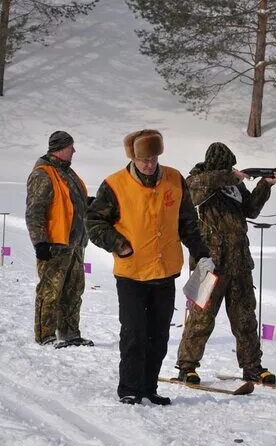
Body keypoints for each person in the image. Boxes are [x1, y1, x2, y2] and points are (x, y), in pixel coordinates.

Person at [87, 129, 211, 406]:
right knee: (134, 333)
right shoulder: (115, 184)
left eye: (154, 158)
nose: (149, 164)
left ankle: (149, 387)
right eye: (144, 159)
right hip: (131, 272)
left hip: (165, 271)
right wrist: (118, 244)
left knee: (159, 334)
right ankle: (129, 388)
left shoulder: (174, 179)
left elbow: (187, 221)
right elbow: (94, 222)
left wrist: (200, 252)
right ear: (133, 157)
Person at [174, 142, 276, 385]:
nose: (232, 171)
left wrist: (265, 185)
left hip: (239, 262)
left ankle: (252, 367)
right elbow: (195, 192)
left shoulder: (235, 186)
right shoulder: (196, 181)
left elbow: (251, 210)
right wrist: (229, 177)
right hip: (208, 263)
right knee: (200, 318)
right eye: (227, 168)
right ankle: (187, 366)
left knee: (245, 318)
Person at [25, 130, 94, 348]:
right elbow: (35, 211)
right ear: (60, 148)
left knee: (74, 291)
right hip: (54, 244)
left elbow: (72, 203)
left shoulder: (67, 173)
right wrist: (40, 243)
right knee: (50, 291)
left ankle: (70, 333)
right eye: (70, 146)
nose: (74, 150)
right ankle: (45, 335)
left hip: (74, 244)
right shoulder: (43, 174)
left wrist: (90, 203)